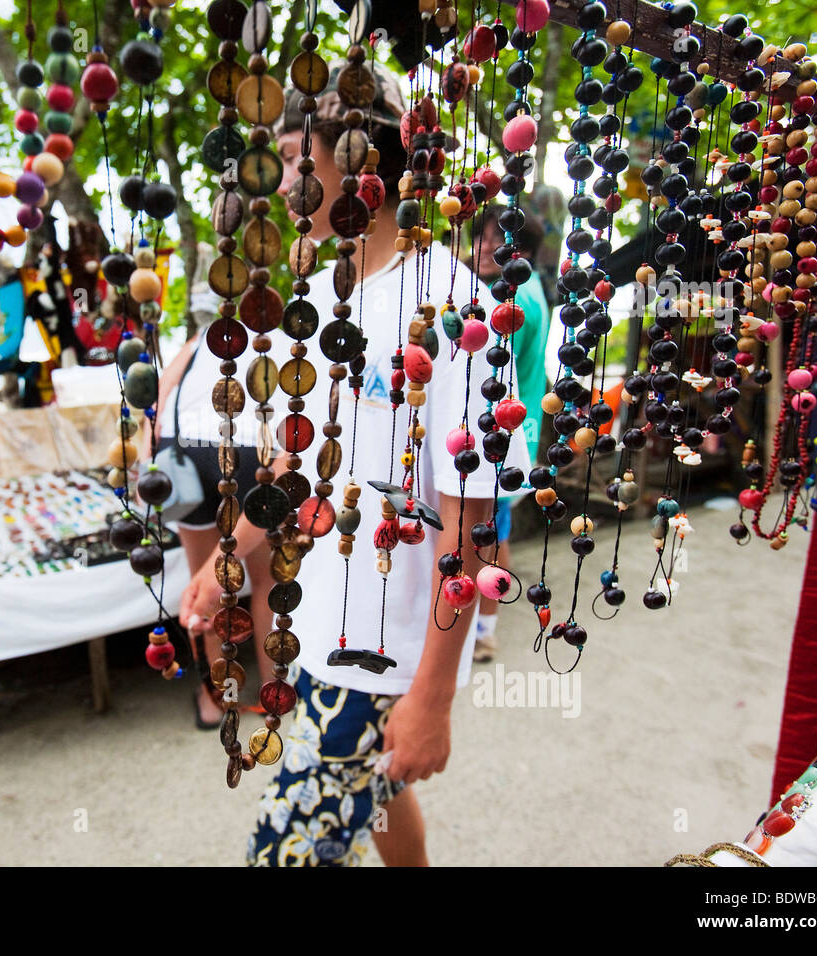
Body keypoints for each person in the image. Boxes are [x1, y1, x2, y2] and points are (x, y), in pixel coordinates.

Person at [179, 65, 531, 866]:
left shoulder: (454, 310)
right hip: (316, 619)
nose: (285, 181)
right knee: (376, 796)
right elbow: (292, 455)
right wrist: (231, 555)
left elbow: (471, 524)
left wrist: (433, 696)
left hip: (384, 650)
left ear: (362, 165)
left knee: (284, 854)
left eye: (301, 160)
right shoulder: (325, 292)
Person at [150, 319, 277, 729]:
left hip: (182, 449)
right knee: (265, 581)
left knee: (205, 581)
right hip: (246, 448)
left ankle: (214, 702)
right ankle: (274, 692)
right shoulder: (273, 333)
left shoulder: (200, 336)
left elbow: (158, 397)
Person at [468, 202, 551, 662]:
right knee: (496, 531)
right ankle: (484, 620)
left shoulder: (514, 306)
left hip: (501, 440)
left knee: (491, 534)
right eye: (480, 238)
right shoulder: (527, 289)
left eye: (497, 242)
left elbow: (479, 361)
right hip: (513, 435)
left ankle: (485, 630)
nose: (484, 248)